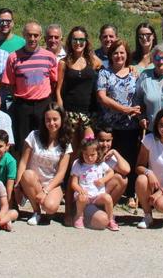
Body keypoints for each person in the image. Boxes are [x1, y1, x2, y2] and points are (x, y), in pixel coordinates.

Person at [96, 39, 141, 206]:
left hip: (130, 126)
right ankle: (104, 191)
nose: (119, 56)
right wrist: (124, 109)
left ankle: (130, 193)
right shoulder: (104, 73)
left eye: (122, 52)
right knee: (106, 158)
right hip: (109, 125)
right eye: (115, 53)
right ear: (110, 55)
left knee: (129, 159)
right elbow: (101, 96)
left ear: (127, 55)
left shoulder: (134, 74)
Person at [2, 21, 58, 148]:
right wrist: (19, 97)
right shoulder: (13, 57)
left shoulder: (49, 57)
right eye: (29, 35)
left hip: (43, 103)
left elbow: (54, 81)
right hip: (23, 104)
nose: (32, 38)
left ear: (40, 36)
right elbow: (9, 83)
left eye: (35, 35)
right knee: (23, 140)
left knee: (44, 138)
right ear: (23, 35)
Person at [16, 103, 73, 226]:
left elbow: (61, 174)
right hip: (32, 180)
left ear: (62, 120)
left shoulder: (66, 143)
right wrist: (18, 185)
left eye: (55, 119)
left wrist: (46, 191)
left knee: (50, 208)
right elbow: (23, 162)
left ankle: (45, 203)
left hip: (51, 183)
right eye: (48, 119)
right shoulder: (33, 136)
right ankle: (36, 212)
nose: (51, 123)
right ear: (44, 120)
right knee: (27, 174)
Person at [56, 26, 102, 149]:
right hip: (70, 111)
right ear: (70, 41)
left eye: (81, 40)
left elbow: (108, 69)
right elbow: (58, 90)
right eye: (75, 39)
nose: (78, 43)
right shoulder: (63, 63)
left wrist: (131, 68)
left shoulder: (92, 61)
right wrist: (62, 112)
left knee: (89, 146)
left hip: (89, 112)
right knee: (71, 148)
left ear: (86, 42)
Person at [70, 137, 117, 230]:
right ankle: (79, 217)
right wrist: (80, 190)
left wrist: (103, 180)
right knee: (81, 197)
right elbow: (73, 183)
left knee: (107, 198)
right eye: (86, 154)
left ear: (98, 153)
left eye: (92, 154)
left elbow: (111, 172)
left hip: (97, 196)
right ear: (82, 153)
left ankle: (111, 219)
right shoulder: (78, 164)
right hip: (85, 196)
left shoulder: (100, 164)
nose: (89, 157)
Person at [94, 125, 131, 204]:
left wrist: (115, 152)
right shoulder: (90, 154)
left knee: (122, 179)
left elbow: (126, 170)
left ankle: (106, 210)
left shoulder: (109, 156)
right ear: (95, 139)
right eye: (101, 140)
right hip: (89, 192)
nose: (105, 144)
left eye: (108, 141)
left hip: (101, 194)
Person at [0, 130, 17, 199]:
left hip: (4, 192)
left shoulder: (11, 161)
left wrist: (7, 202)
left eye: (0, 146)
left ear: (7, 146)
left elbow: (10, 184)